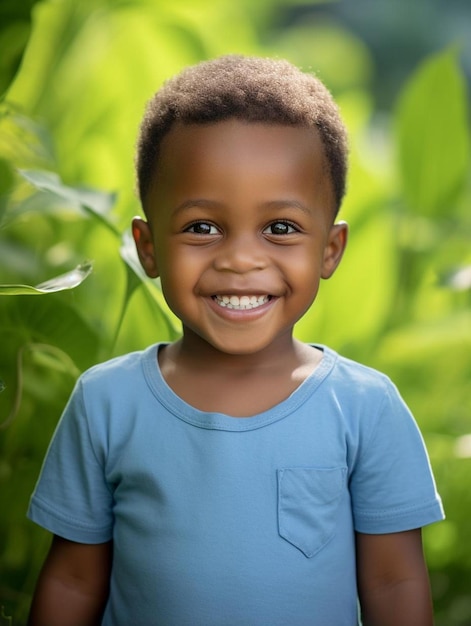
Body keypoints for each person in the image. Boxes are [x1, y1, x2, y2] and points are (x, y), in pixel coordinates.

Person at [27, 55, 444, 626]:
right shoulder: (105, 403)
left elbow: (394, 581)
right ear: (148, 247)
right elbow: (74, 581)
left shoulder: (366, 408)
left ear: (330, 249)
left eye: (281, 228)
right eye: (202, 227)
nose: (242, 259)